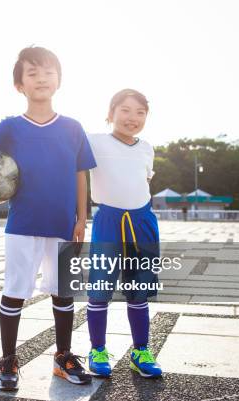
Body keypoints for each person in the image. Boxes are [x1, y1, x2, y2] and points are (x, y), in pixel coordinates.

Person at [0, 46, 96, 391]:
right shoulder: (11, 126)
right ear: (19, 85)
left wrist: (83, 217)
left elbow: (81, 174)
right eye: (32, 73)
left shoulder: (73, 128)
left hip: (63, 223)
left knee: (63, 292)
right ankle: (8, 361)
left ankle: (63, 357)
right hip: (22, 223)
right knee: (15, 292)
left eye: (48, 72)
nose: (41, 78)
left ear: (59, 80)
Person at [86, 89, 163, 378]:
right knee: (100, 290)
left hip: (143, 223)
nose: (133, 118)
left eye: (140, 112)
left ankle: (141, 351)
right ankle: (97, 350)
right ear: (111, 112)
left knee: (139, 291)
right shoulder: (93, 142)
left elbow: (142, 183)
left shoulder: (147, 148)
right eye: (126, 110)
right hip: (108, 221)